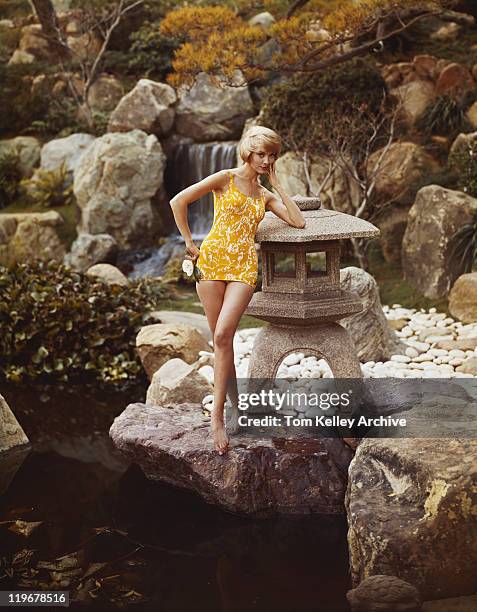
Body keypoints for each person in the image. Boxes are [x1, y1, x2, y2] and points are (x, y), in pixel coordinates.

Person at [169, 126, 306, 455]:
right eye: (262, 154)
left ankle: (217, 417)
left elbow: (298, 222)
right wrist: (189, 242)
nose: (266, 160)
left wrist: (278, 185)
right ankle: (235, 407)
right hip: (212, 262)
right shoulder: (225, 178)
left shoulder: (264, 196)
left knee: (224, 334)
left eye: (272, 155)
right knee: (222, 341)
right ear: (249, 152)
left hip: (244, 269)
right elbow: (178, 201)